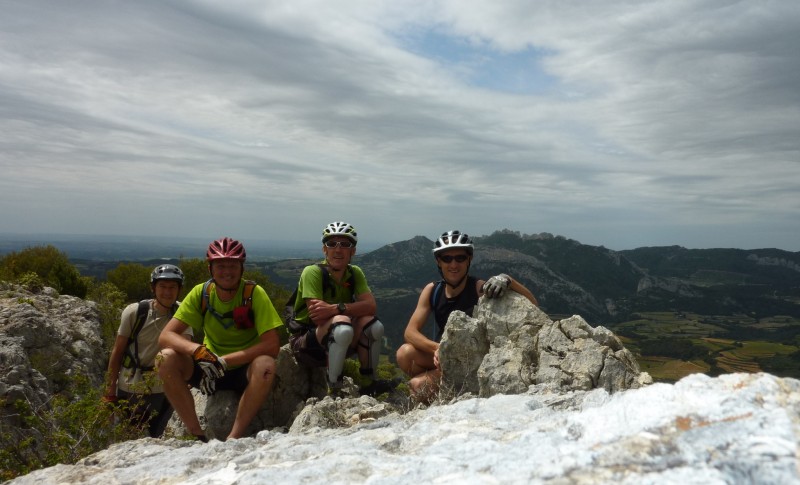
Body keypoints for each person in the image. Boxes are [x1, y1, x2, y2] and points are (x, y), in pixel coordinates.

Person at [157, 237, 282, 441]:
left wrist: (224, 361)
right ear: (210, 268)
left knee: (266, 364)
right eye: (220, 265)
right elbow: (166, 337)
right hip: (208, 370)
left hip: (242, 369)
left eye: (233, 265)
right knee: (165, 358)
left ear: (241, 268)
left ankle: (234, 438)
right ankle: (198, 435)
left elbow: (272, 345)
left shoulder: (253, 294)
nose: (227, 271)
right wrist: (198, 351)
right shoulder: (202, 293)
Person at [395, 230, 538, 404]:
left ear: (469, 259)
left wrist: (508, 279)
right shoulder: (433, 291)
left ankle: (445, 391)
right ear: (438, 262)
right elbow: (410, 332)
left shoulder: (479, 289)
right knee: (404, 354)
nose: (453, 264)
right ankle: (442, 388)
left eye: (460, 258)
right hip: (442, 357)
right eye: (447, 258)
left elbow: (533, 305)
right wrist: (438, 348)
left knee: (417, 385)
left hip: (470, 362)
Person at [287, 221, 389, 396]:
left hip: (339, 340)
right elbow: (317, 317)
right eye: (332, 244)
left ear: (353, 251)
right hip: (305, 346)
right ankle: (334, 389)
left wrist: (336, 308)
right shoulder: (312, 272)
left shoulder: (354, 272)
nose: (338, 249)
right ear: (324, 249)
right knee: (342, 325)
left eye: (345, 244)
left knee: (373, 326)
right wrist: (348, 312)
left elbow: (371, 307)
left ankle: (369, 383)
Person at [103, 264, 190, 438]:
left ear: (179, 289)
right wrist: (109, 392)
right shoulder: (136, 312)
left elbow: (185, 349)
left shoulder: (183, 313)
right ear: (153, 288)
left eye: (173, 287)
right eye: (162, 287)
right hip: (131, 387)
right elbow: (118, 352)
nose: (167, 292)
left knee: (158, 439)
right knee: (131, 438)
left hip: (165, 389)